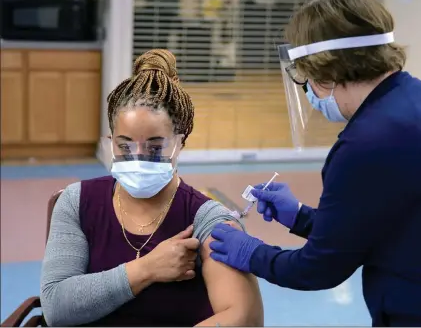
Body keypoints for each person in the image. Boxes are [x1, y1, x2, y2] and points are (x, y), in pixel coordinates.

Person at [208, 0, 421, 327]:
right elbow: (374, 224)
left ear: (327, 70)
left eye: (303, 76)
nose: (306, 89)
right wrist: (301, 218)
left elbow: (319, 269)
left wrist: (252, 253)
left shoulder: (366, 144)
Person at [40, 49, 264, 327]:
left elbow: (244, 318)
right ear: (110, 142)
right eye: (124, 146)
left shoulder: (208, 220)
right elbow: (56, 308)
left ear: (180, 143)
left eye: (155, 147)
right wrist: (147, 268)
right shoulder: (77, 202)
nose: (138, 157)